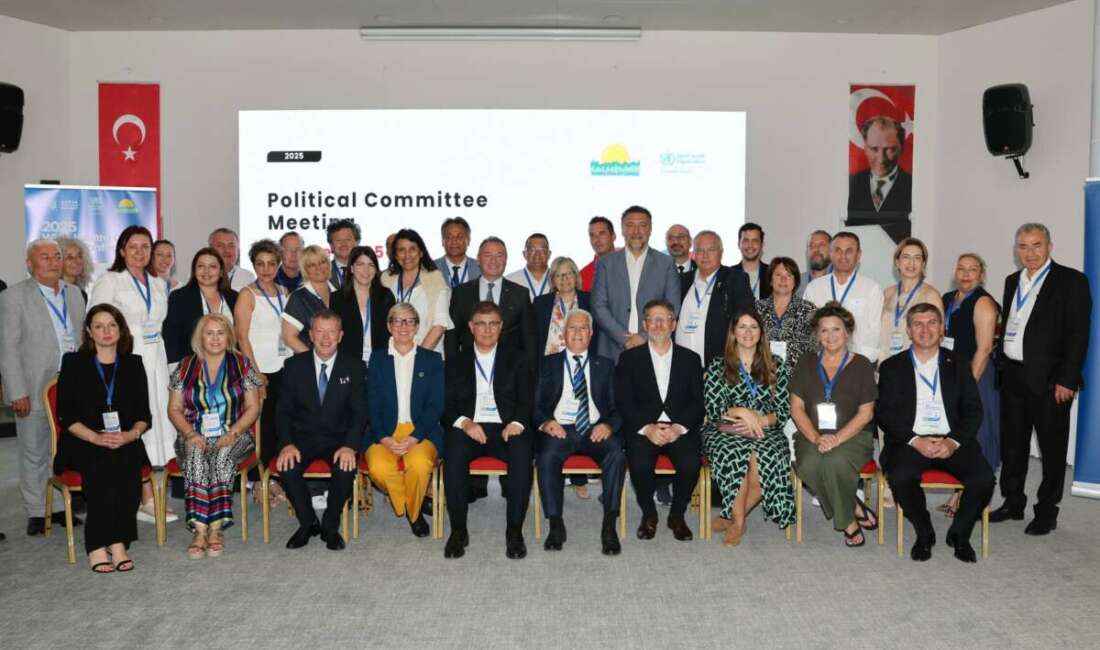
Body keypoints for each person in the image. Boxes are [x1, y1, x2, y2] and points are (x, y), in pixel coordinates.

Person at [992, 223, 1091, 535]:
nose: (1030, 253)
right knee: (1012, 446)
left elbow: (1079, 334)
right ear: (1016, 249)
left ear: (1049, 246)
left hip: (1051, 381)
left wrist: (1068, 379)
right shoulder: (1012, 281)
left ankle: (1047, 511)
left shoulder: (1071, 281)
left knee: (1052, 449)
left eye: (1036, 245)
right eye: (1023, 246)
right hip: (1013, 376)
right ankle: (1013, 502)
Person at [877, 303, 994, 562]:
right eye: (918, 324)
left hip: (951, 440)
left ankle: (960, 534)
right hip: (910, 441)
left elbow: (973, 411)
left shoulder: (959, 363)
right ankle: (924, 531)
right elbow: (885, 414)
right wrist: (914, 440)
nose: (925, 329)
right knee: (900, 476)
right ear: (908, 330)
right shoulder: (891, 367)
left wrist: (953, 442)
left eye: (932, 323)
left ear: (942, 329)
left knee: (984, 479)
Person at [89, 226, 176, 523]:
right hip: (126, 360)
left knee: (157, 422)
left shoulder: (158, 283)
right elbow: (97, 323)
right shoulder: (110, 281)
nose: (140, 252)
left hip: (156, 359)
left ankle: (153, 495)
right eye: (133, 246)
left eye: (145, 246)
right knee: (134, 420)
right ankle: (144, 498)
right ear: (122, 250)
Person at [1, 239, 87, 535]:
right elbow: (8, 349)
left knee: (64, 448)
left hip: (71, 385)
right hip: (34, 385)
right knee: (34, 449)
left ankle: (60, 507)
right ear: (30, 263)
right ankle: (37, 511)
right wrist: (16, 391)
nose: (52, 261)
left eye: (57, 256)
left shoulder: (74, 294)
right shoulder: (13, 297)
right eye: (44, 256)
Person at [55, 305, 150, 571]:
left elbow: (144, 415)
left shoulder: (133, 364)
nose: (106, 331)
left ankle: (118, 542)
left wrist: (130, 435)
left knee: (128, 465)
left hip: (124, 438)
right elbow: (66, 415)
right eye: (99, 326)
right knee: (103, 465)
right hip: (82, 439)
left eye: (112, 325)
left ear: (121, 329)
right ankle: (98, 544)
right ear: (89, 331)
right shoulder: (73, 363)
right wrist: (95, 438)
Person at [442, 301, 534, 559]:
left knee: (522, 450)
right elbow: (445, 405)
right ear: (471, 327)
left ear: (501, 327)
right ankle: (458, 531)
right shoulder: (455, 361)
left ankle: (514, 531)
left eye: (493, 324)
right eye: (481, 324)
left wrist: (516, 423)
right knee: (454, 451)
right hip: (470, 427)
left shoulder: (518, 358)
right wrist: (465, 423)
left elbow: (527, 400)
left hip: (506, 427)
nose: (487, 330)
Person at [167, 314, 260, 558]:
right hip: (193, 434)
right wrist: (189, 433)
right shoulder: (184, 367)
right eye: (209, 333)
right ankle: (199, 530)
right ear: (200, 337)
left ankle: (216, 528)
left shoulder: (243, 365)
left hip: (235, 433)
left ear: (229, 336)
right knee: (196, 456)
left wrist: (233, 432)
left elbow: (253, 407)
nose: (215, 338)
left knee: (221, 457)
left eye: (221, 333)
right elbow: (174, 409)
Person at [535, 309, 625, 555]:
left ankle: (609, 525)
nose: (577, 333)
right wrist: (546, 423)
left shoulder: (605, 365)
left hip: (595, 429)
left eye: (583, 328)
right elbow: (535, 405)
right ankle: (555, 523)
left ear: (591, 333)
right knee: (546, 457)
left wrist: (608, 426)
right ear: (564, 334)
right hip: (560, 428)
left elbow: (618, 408)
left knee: (616, 454)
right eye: (572, 328)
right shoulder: (547, 363)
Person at [276, 310, 367, 550]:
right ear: (310, 335)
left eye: (332, 332)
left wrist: (350, 446)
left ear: (340, 335)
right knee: (287, 466)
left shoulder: (355, 366)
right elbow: (282, 411)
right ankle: (307, 523)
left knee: (345, 468)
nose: (326, 338)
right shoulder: (294, 366)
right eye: (320, 331)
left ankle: (330, 524)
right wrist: (287, 444)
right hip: (302, 439)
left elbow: (360, 413)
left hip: (339, 439)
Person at [789, 303, 879, 547]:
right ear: (817, 334)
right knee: (808, 465)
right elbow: (796, 409)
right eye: (824, 330)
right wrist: (816, 438)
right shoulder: (806, 362)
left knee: (834, 462)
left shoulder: (862, 365)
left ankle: (847, 523)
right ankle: (851, 510)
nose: (830, 336)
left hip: (853, 436)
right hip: (811, 434)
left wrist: (836, 439)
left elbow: (866, 414)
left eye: (836, 329)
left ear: (847, 332)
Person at [702, 310, 794, 546]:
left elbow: (784, 409)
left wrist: (760, 421)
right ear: (733, 332)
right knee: (737, 454)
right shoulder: (719, 364)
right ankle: (739, 522)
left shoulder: (776, 365)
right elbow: (713, 408)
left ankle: (733, 517)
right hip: (726, 428)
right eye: (742, 327)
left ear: (761, 332)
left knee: (766, 457)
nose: (747, 332)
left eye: (753, 327)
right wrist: (741, 412)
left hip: (766, 429)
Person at [616, 300, 703, 541]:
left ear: (673, 324)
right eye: (652, 319)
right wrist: (647, 428)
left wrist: (678, 428)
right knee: (640, 465)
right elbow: (623, 401)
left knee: (690, 464)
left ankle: (677, 515)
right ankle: (649, 514)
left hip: (679, 427)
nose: (658, 324)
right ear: (644, 325)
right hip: (644, 427)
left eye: (664, 319)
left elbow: (698, 402)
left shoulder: (691, 359)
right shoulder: (629, 358)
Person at [366, 303, 445, 538]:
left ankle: (413, 513)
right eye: (398, 321)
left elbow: (436, 405)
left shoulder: (432, 359)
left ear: (417, 327)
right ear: (389, 326)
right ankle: (413, 506)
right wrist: (383, 437)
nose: (404, 326)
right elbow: (371, 403)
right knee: (379, 468)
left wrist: (415, 436)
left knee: (419, 465)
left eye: (410, 321)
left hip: (421, 430)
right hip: (384, 430)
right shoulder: (377, 359)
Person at [939, 253, 1000, 517]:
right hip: (952, 374)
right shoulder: (947, 299)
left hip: (977, 376)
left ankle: (975, 497)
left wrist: (968, 387)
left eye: (972, 270)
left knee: (978, 434)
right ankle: (958, 493)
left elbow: (984, 349)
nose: (965, 274)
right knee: (958, 433)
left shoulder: (984, 303)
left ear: (981, 275)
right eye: (961, 269)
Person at [532, 256, 596, 499]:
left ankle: (579, 478)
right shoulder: (541, 303)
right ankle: (553, 476)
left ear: (576, 276)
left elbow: (595, 334)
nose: (564, 279)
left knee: (578, 418)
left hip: (580, 367)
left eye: (568, 273)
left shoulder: (589, 300)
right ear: (553, 280)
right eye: (559, 275)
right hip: (551, 371)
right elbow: (535, 338)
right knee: (554, 422)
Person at [234, 239, 291, 504]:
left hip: (284, 367)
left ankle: (275, 478)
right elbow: (241, 337)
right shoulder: (247, 294)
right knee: (262, 427)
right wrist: (255, 374)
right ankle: (259, 482)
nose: (266, 269)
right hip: (260, 370)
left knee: (280, 424)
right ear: (254, 265)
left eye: (271, 263)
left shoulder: (284, 291)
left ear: (278, 264)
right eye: (260, 264)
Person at [591, 206, 682, 362]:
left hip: (654, 346)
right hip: (612, 350)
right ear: (622, 229)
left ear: (650, 229)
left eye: (642, 225)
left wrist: (644, 336)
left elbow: (672, 306)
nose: (636, 231)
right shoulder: (605, 264)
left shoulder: (666, 263)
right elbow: (598, 306)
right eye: (630, 225)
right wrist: (624, 338)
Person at [446, 237, 534, 369]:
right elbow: (452, 337)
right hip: (469, 368)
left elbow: (529, 340)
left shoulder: (520, 294)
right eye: (488, 255)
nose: (493, 260)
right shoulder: (461, 293)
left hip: (510, 369)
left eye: (499, 255)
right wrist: (452, 369)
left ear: (506, 260)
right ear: (478, 259)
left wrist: (529, 372)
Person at [675, 230, 754, 368]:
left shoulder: (735, 279)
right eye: (700, 250)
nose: (705, 255)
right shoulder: (682, 280)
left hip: (718, 366)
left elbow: (745, 319)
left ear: (721, 253)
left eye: (711, 250)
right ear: (693, 254)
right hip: (681, 365)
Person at [802, 232, 884, 363]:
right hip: (821, 363)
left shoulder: (871, 289)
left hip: (858, 363)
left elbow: (875, 332)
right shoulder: (814, 288)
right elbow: (807, 329)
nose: (843, 256)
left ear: (858, 255)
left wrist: (857, 361)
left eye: (849, 251)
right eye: (838, 250)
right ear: (830, 253)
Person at [380, 229, 452, 354]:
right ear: (395, 255)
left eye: (412, 249)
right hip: (392, 356)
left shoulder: (435, 279)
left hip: (426, 355)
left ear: (421, 252)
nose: (407, 255)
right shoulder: (386, 279)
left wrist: (418, 357)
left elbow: (440, 324)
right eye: (401, 250)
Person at [163, 248, 238, 365]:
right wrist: (177, 369)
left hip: (230, 365)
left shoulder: (234, 297)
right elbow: (171, 337)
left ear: (221, 272)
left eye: (212, 266)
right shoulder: (179, 297)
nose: (206, 271)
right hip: (192, 367)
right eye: (201, 266)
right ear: (194, 271)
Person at [878, 238, 943, 361]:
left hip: (915, 364)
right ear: (897, 262)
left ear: (923, 264)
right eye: (906, 257)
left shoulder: (931, 295)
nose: (911, 263)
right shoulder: (887, 293)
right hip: (884, 362)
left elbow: (938, 336)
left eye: (917, 258)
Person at [333, 246, 395, 368]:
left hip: (381, 362)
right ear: (351, 268)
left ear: (376, 269)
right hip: (348, 362)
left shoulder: (386, 295)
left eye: (371, 265)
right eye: (360, 264)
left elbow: (392, 330)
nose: (366, 270)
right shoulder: (337, 298)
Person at [757, 257, 817, 370]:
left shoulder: (809, 310)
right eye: (778, 275)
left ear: (795, 281)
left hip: (798, 375)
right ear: (770, 280)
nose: (783, 280)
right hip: (762, 374)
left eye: (789, 275)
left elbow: (815, 349)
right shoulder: (757, 309)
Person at [848, 116, 913, 217]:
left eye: (890, 149)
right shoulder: (851, 184)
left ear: (901, 148)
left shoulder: (914, 186)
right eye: (874, 149)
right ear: (865, 148)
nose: (881, 159)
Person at [281, 244, 334, 352]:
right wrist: (314, 359)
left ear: (328, 264)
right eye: (311, 265)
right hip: (309, 359)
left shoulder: (340, 294)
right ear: (305, 270)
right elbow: (289, 338)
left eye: (322, 262)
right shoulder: (298, 298)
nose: (318, 268)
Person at [435, 217, 482, 288]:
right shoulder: (431, 269)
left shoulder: (481, 268)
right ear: (442, 241)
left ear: (468, 240)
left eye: (459, 237)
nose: (454, 241)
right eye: (449, 237)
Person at [505, 233, 553, 301]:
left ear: (549, 254)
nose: (537, 254)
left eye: (542, 250)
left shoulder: (559, 279)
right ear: (524, 254)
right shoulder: (510, 280)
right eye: (532, 250)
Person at [732, 222, 770, 300]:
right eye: (746, 241)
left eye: (755, 241)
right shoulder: (728, 276)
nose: (750, 245)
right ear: (739, 244)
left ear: (762, 245)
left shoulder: (772, 274)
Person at [579, 216, 616, 292]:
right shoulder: (583, 276)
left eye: (602, 233)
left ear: (613, 236)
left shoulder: (630, 263)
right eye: (592, 235)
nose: (597, 239)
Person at [326, 218, 360, 290]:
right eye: (338, 240)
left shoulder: (369, 272)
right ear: (331, 246)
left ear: (357, 243)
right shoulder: (322, 272)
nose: (343, 244)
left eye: (348, 240)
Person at [56, 237, 93, 302]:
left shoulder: (81, 294)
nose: (77, 261)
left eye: (80, 256)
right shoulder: (52, 293)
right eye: (70, 257)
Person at [799, 230, 831, 298]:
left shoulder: (841, 280)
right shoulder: (798, 282)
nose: (816, 250)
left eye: (821, 245)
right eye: (811, 246)